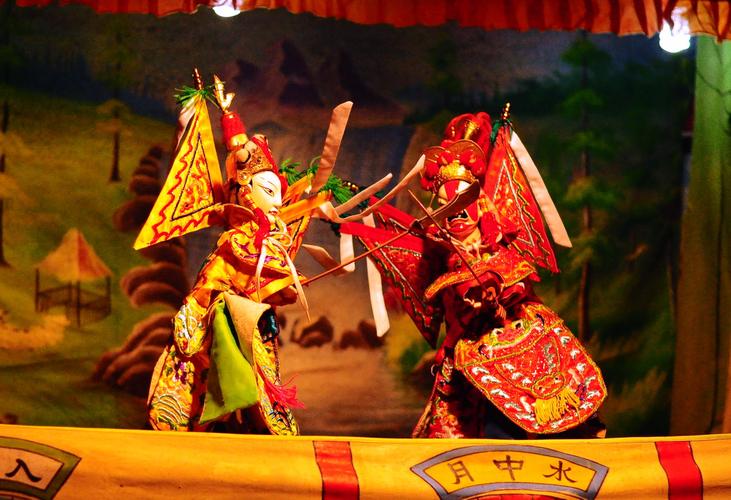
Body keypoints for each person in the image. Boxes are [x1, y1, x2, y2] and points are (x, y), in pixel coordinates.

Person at [341, 110, 606, 439]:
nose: (455, 213)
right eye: (445, 205)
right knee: (456, 431)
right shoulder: (442, 256)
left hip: (518, 337)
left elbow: (515, 281)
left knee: (549, 400)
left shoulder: (500, 246)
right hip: (467, 352)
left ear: (481, 204)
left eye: (462, 201)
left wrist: (494, 291)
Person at [145, 81, 310, 435]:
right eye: (269, 192)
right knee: (209, 372)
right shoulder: (238, 239)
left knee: (257, 380)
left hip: (250, 322)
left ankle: (251, 424)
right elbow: (240, 275)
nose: (277, 203)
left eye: (279, 194)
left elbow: (269, 278)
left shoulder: (268, 237)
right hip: (218, 315)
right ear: (245, 191)